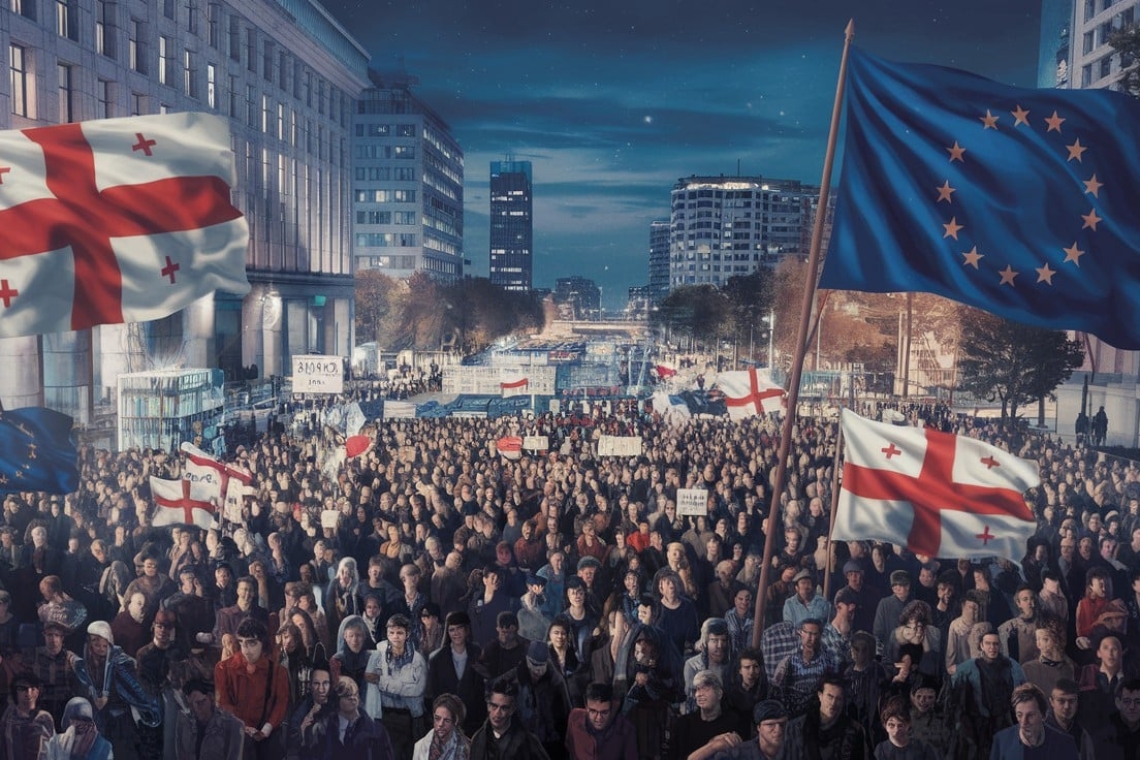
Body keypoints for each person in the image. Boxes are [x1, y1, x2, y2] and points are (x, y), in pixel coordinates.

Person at [214, 617, 290, 760]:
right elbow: (223, 704)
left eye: (252, 643)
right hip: (236, 733)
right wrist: (245, 728)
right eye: (242, 643)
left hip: (267, 734)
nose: (246, 650)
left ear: (263, 644)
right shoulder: (223, 668)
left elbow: (281, 703)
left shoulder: (278, 672)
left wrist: (266, 729)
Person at [365, 613, 427, 759]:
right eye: (391, 633)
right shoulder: (379, 652)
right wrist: (402, 686)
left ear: (407, 634)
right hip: (385, 715)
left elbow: (417, 689)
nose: (395, 637)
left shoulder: (417, 659)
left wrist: (384, 683)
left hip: (410, 717)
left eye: (399, 633)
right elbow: (370, 677)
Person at [426, 612, 487, 736]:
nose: (456, 633)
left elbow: (481, 690)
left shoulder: (478, 653)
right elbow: (432, 694)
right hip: (446, 722)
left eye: (459, 628)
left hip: (474, 722)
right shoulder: (436, 659)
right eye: (452, 629)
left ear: (466, 630)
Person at [781, 675, 866, 760]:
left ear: (843, 701)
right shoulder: (797, 728)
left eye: (839, 699)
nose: (833, 703)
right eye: (830, 696)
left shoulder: (853, 731)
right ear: (820, 695)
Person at [469, 677, 550, 760]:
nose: (497, 713)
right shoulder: (479, 739)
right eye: (494, 706)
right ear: (488, 705)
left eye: (504, 708)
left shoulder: (528, 742)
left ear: (512, 709)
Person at [988, 684, 1077, 760]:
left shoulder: (1065, 744)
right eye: (1019, 715)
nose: (1023, 722)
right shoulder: (1001, 741)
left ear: (1044, 715)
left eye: (1030, 715)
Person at [318, 676, 395, 760]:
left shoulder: (376, 731)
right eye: (347, 695)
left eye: (355, 694)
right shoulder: (325, 729)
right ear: (337, 700)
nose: (353, 698)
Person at [672, 670, 743, 760]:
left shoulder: (734, 721)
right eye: (697, 689)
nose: (699, 694)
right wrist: (713, 745)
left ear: (719, 693)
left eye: (706, 689)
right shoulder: (684, 723)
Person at [564, 682, 636, 760]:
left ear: (611, 708)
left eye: (604, 712)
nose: (598, 718)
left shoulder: (626, 729)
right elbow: (570, 748)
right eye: (593, 711)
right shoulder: (575, 718)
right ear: (586, 706)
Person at [0, 672, 56, 760]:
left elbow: (52, 749)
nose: (28, 693)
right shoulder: (8, 717)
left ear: (37, 691)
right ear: (16, 691)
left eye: (33, 688)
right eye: (23, 689)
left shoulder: (44, 717)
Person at [708, 699, 788, 760]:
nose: (778, 729)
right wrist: (712, 746)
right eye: (770, 725)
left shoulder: (795, 750)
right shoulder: (738, 753)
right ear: (758, 728)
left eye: (782, 724)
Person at [291, 649, 334, 760]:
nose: (321, 689)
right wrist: (303, 726)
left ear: (331, 684)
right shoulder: (303, 706)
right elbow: (292, 742)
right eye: (316, 683)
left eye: (325, 683)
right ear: (310, 685)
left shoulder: (337, 705)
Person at [40, 697, 112, 760]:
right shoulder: (55, 742)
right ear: (68, 719)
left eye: (84, 719)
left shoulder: (103, 745)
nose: (79, 723)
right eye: (75, 718)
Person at [873, 696, 937, 760]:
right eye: (891, 725)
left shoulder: (923, 748)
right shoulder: (881, 750)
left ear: (908, 724)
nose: (896, 731)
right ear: (885, 725)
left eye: (900, 726)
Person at [1044, 679, 1095, 760]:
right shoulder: (1041, 732)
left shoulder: (1082, 735)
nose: (1067, 706)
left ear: (1077, 703)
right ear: (1051, 702)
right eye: (1061, 701)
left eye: (1071, 701)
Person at [413, 693, 470, 760]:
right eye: (437, 718)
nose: (440, 724)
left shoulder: (467, 748)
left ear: (455, 722)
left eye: (446, 720)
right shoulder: (420, 747)